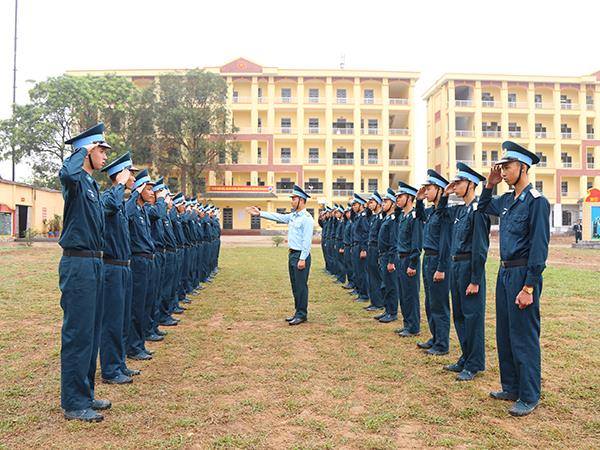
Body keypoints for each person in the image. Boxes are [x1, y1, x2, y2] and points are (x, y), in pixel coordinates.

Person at [478, 141, 550, 417]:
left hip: (523, 273)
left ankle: (529, 395)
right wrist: (490, 183)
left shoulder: (537, 202)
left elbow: (539, 248)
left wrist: (529, 285)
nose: (504, 172)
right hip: (505, 271)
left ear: (523, 167)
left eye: (507, 167)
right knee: (506, 332)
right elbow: (483, 207)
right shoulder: (507, 200)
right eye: (503, 167)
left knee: (524, 335)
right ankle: (511, 386)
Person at [58, 123, 111, 422]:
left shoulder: (91, 186)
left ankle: (86, 393)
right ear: (87, 151)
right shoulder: (75, 181)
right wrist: (82, 150)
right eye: (100, 150)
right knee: (78, 333)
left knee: (91, 332)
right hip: (77, 264)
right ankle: (74, 403)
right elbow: (67, 173)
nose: (104, 156)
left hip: (94, 262)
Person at [440, 163, 490, 381]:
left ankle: (475, 363)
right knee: (459, 315)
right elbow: (441, 214)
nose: (455, 185)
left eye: (459, 182)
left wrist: (475, 279)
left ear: (471, 184)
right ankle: (465, 356)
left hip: (469, 268)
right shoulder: (460, 210)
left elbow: (480, 247)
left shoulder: (479, 210)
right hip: (455, 267)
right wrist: (444, 194)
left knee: (473, 317)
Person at [246, 184, 314, 325]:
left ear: (301, 200)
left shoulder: (307, 218)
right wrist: (260, 213)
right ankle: (298, 312)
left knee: (301, 286)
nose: (291, 201)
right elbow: (278, 216)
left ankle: (302, 314)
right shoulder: (293, 216)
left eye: (293, 199)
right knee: (295, 285)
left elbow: (307, 241)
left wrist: (302, 259)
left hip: (300, 255)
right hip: (292, 254)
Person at [99, 152, 136, 385]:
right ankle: (110, 370)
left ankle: (119, 363)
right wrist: (119, 184)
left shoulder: (120, 203)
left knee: (122, 320)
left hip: (124, 267)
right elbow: (109, 205)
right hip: (111, 268)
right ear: (120, 175)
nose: (134, 177)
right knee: (111, 321)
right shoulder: (108, 198)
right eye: (130, 173)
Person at [415, 170, 451, 355]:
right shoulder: (431, 213)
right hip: (427, 258)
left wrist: (442, 268)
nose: (426, 191)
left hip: (438, 259)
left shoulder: (444, 213)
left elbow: (446, 243)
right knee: (430, 302)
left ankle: (442, 344)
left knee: (439, 303)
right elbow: (420, 215)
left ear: (439, 190)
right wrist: (419, 199)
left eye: (429, 189)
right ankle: (435, 336)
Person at [394, 182, 423, 332]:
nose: (397, 199)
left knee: (411, 294)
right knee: (403, 293)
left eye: (401, 196)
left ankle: (413, 326)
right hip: (400, 258)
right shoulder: (403, 216)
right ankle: (407, 323)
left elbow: (416, 242)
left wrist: (413, 263)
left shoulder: (414, 216)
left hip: (409, 259)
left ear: (410, 198)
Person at [376, 188, 400, 323]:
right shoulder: (386, 218)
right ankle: (387, 309)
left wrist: (391, 260)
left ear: (393, 204)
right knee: (385, 284)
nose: (383, 204)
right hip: (383, 255)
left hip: (389, 256)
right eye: (383, 201)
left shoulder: (393, 220)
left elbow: (394, 242)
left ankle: (392, 312)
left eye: (386, 201)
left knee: (391, 285)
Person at [364, 192, 384, 312]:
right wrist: (368, 206)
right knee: (371, 276)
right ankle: (374, 301)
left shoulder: (381, 217)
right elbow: (367, 214)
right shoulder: (374, 217)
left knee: (377, 277)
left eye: (372, 202)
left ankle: (379, 302)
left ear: (378, 203)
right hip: (370, 248)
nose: (369, 205)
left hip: (376, 248)